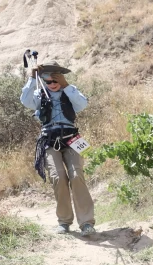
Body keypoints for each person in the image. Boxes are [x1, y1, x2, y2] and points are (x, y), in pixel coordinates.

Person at [20, 61, 96, 236]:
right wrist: (32, 78)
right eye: (48, 81)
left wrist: (67, 85)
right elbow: (25, 101)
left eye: (56, 81)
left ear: (61, 79)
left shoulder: (70, 91)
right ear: (43, 81)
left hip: (71, 138)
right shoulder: (39, 94)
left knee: (76, 175)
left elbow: (82, 105)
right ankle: (64, 221)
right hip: (49, 140)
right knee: (58, 177)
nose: (52, 85)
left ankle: (86, 222)